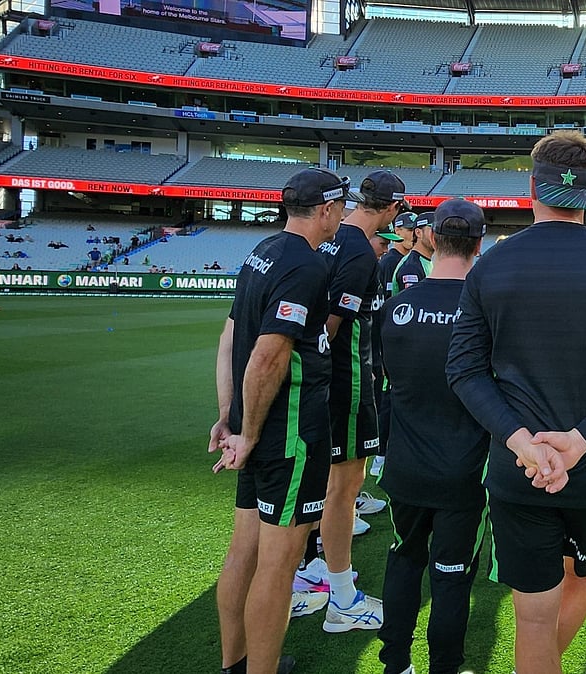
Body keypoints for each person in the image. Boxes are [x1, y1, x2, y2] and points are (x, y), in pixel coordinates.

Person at [446, 130, 586, 674]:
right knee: (582, 583)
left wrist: (523, 442)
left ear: (531, 187)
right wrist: (580, 441)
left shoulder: (491, 267)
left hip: (518, 469)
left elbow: (465, 370)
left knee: (533, 618)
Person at [208, 167, 348, 674]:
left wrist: (229, 416)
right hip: (289, 434)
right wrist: (246, 430)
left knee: (243, 552)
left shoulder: (261, 251)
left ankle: (235, 665)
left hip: (255, 428)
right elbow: (268, 356)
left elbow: (229, 339)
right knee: (278, 564)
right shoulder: (306, 266)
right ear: (328, 210)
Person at [377, 199, 490, 674]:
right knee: (451, 576)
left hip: (405, 466)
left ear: (432, 239)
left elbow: (387, 379)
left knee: (404, 561)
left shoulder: (399, 306)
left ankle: (395, 664)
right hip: (463, 473)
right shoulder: (487, 310)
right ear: (478, 245)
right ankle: (445, 666)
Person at [294, 170, 406, 634]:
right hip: (348, 385)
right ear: (393, 208)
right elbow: (332, 328)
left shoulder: (334, 238)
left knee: (325, 488)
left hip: (329, 385)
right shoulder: (360, 251)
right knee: (342, 491)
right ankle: (342, 598)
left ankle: (307, 576)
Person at [370, 210, 416, 479]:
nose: (412, 234)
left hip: (389, 341)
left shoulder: (400, 260)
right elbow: (385, 308)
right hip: (385, 342)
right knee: (386, 398)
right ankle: (380, 453)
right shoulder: (391, 262)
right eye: (408, 229)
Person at [392, 213, 435, 293]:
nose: (437, 235)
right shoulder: (411, 267)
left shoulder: (427, 261)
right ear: (418, 233)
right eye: (433, 229)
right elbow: (411, 302)